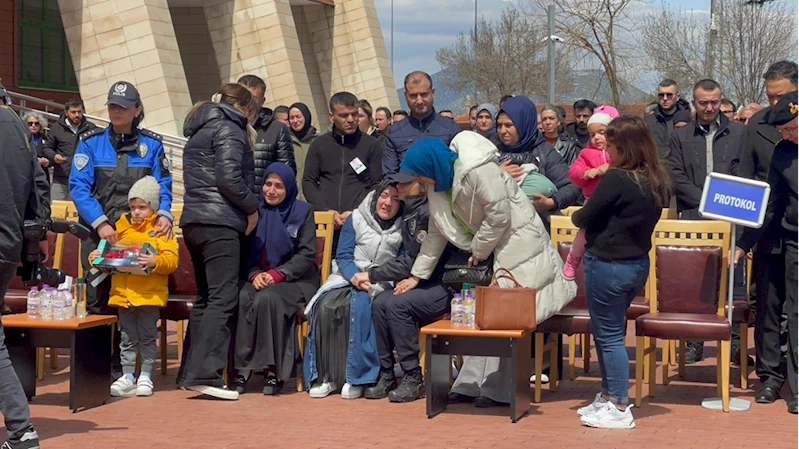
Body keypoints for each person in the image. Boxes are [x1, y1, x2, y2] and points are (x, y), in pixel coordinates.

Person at [395, 132, 575, 408]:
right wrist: (416, 275)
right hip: (489, 248)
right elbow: (436, 233)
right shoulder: (438, 185)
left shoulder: (479, 171)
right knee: (482, 315)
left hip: (518, 243)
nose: (420, 180)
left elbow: (500, 215)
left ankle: (498, 389)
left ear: (432, 166)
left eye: (420, 174)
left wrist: (478, 250)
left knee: (504, 317)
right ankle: (469, 382)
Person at [70, 81, 173, 383]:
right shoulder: (90, 143)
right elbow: (78, 186)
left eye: (123, 106)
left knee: (132, 298)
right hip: (99, 233)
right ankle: (97, 368)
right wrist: (100, 223)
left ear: (137, 110)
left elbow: (163, 186)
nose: (116, 111)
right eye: (112, 105)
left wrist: (164, 213)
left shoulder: (152, 146)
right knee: (97, 298)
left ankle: (128, 370)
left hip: (138, 236)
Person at [572, 116, 672, 429]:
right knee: (607, 332)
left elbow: (583, 217)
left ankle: (618, 404)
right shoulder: (657, 179)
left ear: (625, 147)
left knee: (610, 336)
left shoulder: (617, 178)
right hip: (636, 264)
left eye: (612, 145)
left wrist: (578, 213)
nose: (608, 151)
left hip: (608, 265)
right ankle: (607, 394)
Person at [177, 83, 260, 400]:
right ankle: (206, 374)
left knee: (206, 298)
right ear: (246, 107)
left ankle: (190, 372)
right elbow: (229, 177)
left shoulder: (200, 127)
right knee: (223, 298)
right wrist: (251, 208)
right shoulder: (229, 128)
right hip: (220, 222)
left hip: (195, 221)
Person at [666, 78, 745, 363]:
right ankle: (693, 343)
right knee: (695, 281)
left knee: (733, 281)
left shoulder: (738, 133)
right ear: (693, 103)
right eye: (703, 103)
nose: (709, 107)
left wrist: (723, 202)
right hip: (693, 216)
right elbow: (674, 174)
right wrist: (705, 201)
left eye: (714, 102)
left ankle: (736, 341)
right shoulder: (681, 136)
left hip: (731, 217)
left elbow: (744, 172)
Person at [734, 60, 799, 406]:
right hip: (766, 230)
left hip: (795, 230)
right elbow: (746, 178)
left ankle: (796, 379)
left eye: (781, 96)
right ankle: (770, 376)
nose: (774, 104)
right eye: (769, 97)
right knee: (769, 306)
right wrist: (745, 237)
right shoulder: (757, 123)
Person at [303, 180, 404, 399]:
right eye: (384, 196)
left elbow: (402, 262)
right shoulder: (356, 218)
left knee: (359, 307)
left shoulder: (404, 226)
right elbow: (343, 255)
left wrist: (374, 277)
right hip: (346, 275)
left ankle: (358, 377)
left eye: (396, 199)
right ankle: (326, 376)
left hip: (380, 281)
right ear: (376, 196)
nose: (388, 203)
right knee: (326, 306)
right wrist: (354, 276)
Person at [363, 173, 452, 403]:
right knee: (380, 302)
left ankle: (413, 376)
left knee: (396, 305)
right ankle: (387, 373)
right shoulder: (410, 210)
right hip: (418, 283)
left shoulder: (427, 211)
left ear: (421, 185)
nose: (398, 186)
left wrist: (372, 274)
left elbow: (412, 262)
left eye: (404, 182)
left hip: (441, 285)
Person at [233, 163, 319, 396]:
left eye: (278, 186)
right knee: (241, 296)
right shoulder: (254, 211)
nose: (271, 190)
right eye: (268, 184)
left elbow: (307, 254)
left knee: (269, 299)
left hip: (297, 280)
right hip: (259, 277)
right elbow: (244, 251)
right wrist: (253, 274)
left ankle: (274, 371)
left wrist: (277, 274)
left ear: (289, 188)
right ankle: (242, 369)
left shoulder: (303, 211)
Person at [88, 176, 179, 398]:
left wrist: (155, 262)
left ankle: (146, 374)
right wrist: (95, 258)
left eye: (142, 207)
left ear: (154, 207)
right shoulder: (120, 227)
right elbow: (107, 256)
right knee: (126, 336)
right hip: (122, 294)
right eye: (133, 207)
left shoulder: (161, 230)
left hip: (149, 296)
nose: (137, 212)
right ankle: (128, 375)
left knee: (148, 336)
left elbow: (172, 260)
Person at [0, 80, 47, 449]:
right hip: (8, 244)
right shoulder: (18, 126)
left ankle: (20, 428)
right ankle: (20, 428)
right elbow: (38, 185)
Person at [302, 92, 383, 232]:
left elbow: (377, 185)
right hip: (326, 224)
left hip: (361, 221)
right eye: (344, 115)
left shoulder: (372, 145)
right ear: (332, 117)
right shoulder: (319, 144)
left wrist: (355, 211)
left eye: (354, 114)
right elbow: (308, 182)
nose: (351, 119)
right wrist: (326, 211)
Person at [494, 96, 580, 225]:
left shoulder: (544, 151)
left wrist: (551, 202)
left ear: (523, 124)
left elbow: (572, 186)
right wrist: (495, 175)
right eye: (499, 125)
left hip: (536, 230)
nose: (502, 131)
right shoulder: (491, 150)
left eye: (508, 125)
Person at [563, 106, 620, 280]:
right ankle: (573, 258)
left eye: (601, 133)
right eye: (592, 134)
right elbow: (573, 173)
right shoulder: (586, 153)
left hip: (617, 201)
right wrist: (586, 173)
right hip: (593, 200)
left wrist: (608, 168)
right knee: (583, 233)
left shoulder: (618, 150)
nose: (597, 138)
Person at [382, 71, 461, 175]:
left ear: (432, 92)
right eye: (413, 96)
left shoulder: (450, 129)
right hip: (406, 189)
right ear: (405, 95)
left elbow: (460, 169)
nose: (419, 101)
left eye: (424, 94)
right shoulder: (394, 133)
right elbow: (389, 175)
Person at [238, 75, 296, 191]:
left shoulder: (277, 129)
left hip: (264, 202)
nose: (247, 103)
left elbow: (286, 172)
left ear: (262, 100)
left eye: (253, 98)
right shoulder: (225, 126)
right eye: (243, 97)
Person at [43, 98, 97, 200]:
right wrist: (54, 156)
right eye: (73, 112)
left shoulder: (91, 128)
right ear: (66, 113)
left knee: (82, 213)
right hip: (61, 178)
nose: (77, 115)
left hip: (84, 180)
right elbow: (46, 148)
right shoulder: (56, 128)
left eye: (79, 112)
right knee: (57, 212)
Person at [644, 79, 691, 158]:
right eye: (661, 95)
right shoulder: (648, 121)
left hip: (681, 167)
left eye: (669, 95)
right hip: (657, 167)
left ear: (677, 96)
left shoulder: (689, 120)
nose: (665, 98)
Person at [287, 102, 318, 198]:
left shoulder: (317, 141)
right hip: (293, 198)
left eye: (298, 116)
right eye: (291, 118)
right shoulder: (286, 141)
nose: (295, 121)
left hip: (315, 197)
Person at [22, 112, 50, 184]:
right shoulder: (21, 139)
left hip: (42, 173)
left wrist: (48, 162)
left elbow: (50, 154)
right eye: (30, 124)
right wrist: (35, 160)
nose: (33, 126)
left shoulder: (45, 139)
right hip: (26, 174)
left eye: (36, 123)